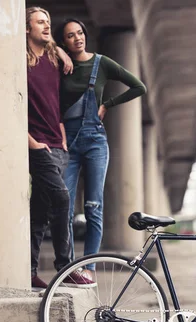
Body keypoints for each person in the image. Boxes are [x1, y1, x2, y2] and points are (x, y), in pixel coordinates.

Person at [54, 19, 147, 279]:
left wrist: (107, 104)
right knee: (65, 206)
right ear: (64, 42)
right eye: (70, 36)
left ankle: (89, 267)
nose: (77, 38)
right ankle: (70, 268)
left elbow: (139, 87)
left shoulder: (102, 63)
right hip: (68, 142)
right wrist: (58, 51)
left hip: (95, 140)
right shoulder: (60, 66)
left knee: (93, 205)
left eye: (80, 33)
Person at [25, 7, 96, 290]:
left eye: (48, 22)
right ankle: (66, 267)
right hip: (36, 144)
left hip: (57, 143)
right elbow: (9, 102)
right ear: (27, 29)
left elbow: (55, 102)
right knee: (62, 199)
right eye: (40, 22)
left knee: (39, 212)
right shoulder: (20, 61)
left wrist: (63, 138)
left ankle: (29, 271)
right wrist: (30, 142)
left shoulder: (53, 59)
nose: (46, 26)